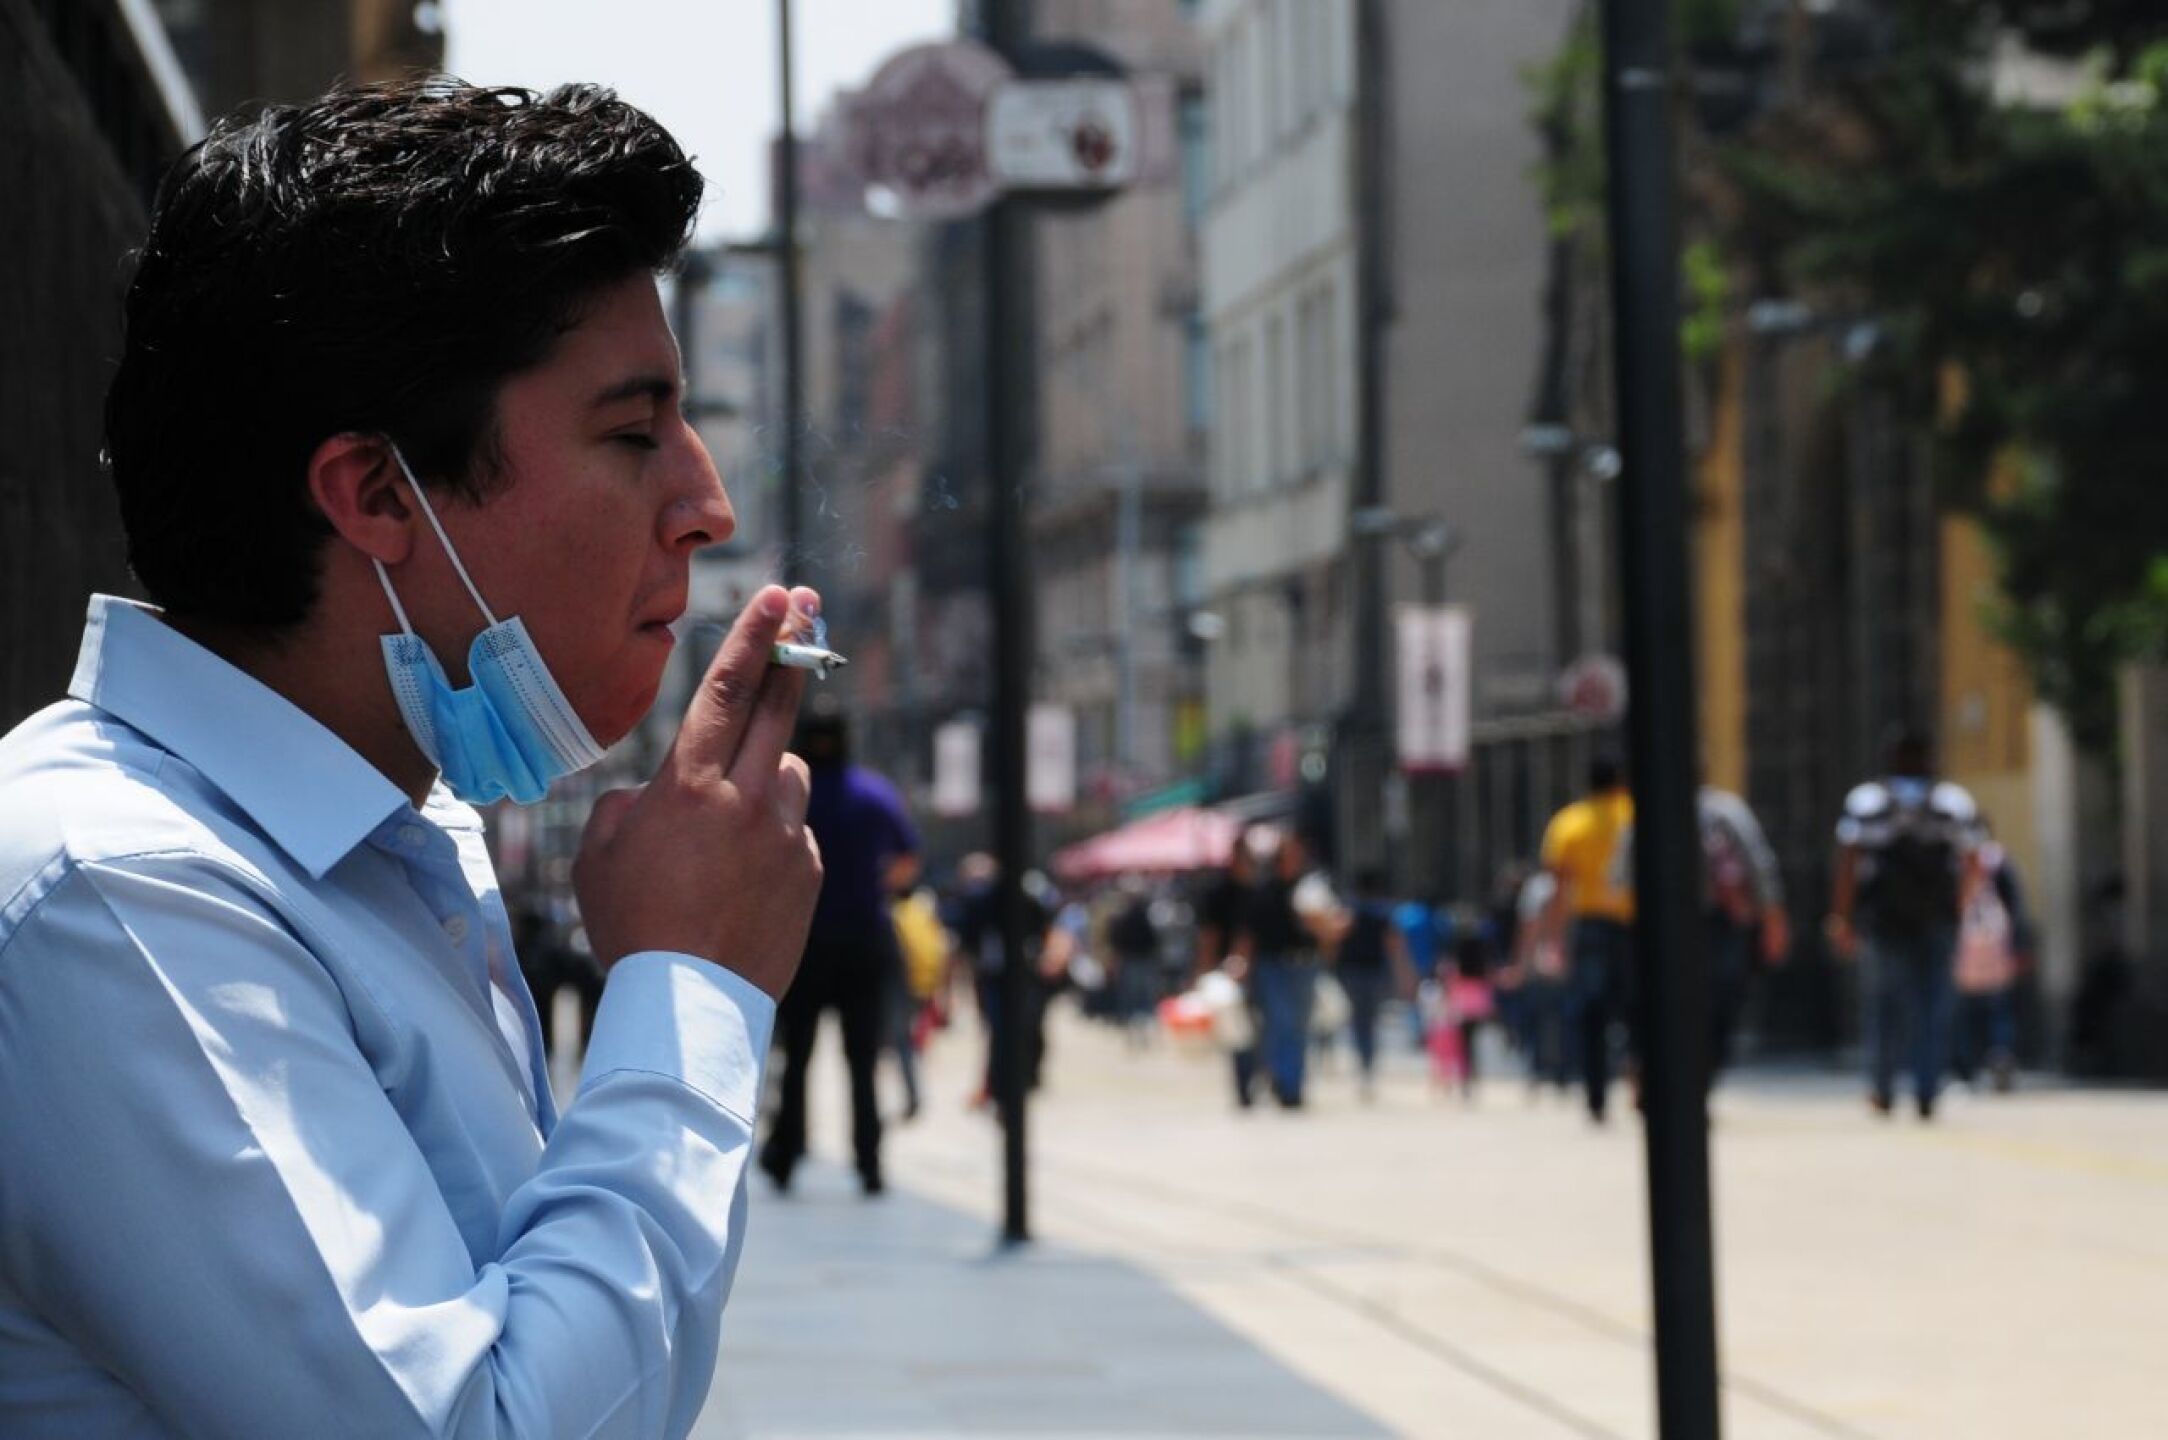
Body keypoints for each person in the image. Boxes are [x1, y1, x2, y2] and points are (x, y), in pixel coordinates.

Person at [0, 80, 824, 1437]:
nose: (705, 502)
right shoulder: (119, 890)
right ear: (377, 495)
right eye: (633, 432)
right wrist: (690, 987)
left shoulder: (395, 839)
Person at [759, 708, 919, 1196]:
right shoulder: (874, 793)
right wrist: (872, 889)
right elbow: (908, 860)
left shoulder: (785, 794)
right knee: (862, 1059)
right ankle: (869, 1163)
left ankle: (786, 1154)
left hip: (802, 941)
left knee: (798, 1057)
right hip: (863, 941)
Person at [1827, 728, 1979, 1120]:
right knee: (1933, 1007)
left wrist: (1841, 916)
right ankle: (1927, 1089)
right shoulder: (1951, 802)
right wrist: (1961, 905)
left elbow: (1848, 860)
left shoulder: (1867, 802)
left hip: (1884, 922)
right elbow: (1973, 858)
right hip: (1937, 921)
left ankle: (1882, 1088)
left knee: (1883, 1006)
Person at [1537, 754, 1638, 1123]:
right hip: (1635, 927)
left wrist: (1553, 940)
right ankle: (1641, 1081)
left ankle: (1596, 1097)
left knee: (1591, 1014)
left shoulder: (1570, 823)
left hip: (1591, 925)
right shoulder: (1634, 815)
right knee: (1639, 1009)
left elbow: (1559, 889)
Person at [1236, 830, 1344, 1109]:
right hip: (1272, 966)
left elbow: (1329, 932)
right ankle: (1282, 1080)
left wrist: (1325, 930)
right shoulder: (1264, 892)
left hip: (1305, 964)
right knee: (1279, 1025)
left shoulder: (1311, 890)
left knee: (1299, 1028)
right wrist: (1242, 967)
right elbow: (1249, 934)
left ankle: (1293, 1086)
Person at [1699, 782, 1791, 1084]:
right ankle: (1706, 1066)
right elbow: (1760, 865)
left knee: (1718, 995)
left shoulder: (1723, 811)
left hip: (1716, 919)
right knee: (1722, 994)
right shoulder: (1726, 810)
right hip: (1720, 921)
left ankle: (1700, 1069)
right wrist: (1773, 917)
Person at [1951, 830, 2033, 1092]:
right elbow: (2016, 906)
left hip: (1961, 949)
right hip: (1997, 948)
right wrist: (2019, 944)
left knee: (1963, 1012)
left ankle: (1966, 1068)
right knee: (1999, 1010)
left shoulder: (1956, 862)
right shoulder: (1999, 861)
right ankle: (2000, 1052)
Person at [1195, 825, 1268, 1107]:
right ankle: (1244, 1086)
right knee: (1237, 1031)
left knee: (1262, 1027)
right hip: (1228, 973)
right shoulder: (1221, 892)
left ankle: (1260, 1077)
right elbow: (1209, 934)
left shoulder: (1259, 890)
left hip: (1262, 968)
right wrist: (1204, 969)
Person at [1333, 868, 1408, 1099]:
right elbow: (1394, 945)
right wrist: (1403, 973)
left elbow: (1336, 941)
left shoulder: (1348, 911)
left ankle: (1363, 1065)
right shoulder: (1382, 912)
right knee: (1371, 1022)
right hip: (1374, 972)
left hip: (1352, 972)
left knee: (1358, 1022)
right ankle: (1368, 1066)